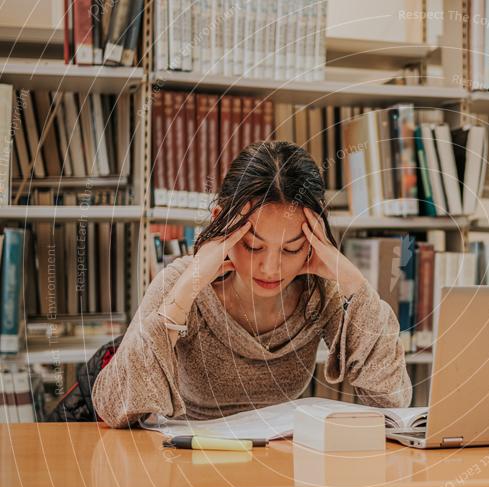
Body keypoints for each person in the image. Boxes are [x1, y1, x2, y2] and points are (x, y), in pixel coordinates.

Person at [92, 141, 412, 428]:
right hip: (193, 461)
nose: (271, 268)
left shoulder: (320, 292)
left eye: (291, 249)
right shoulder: (182, 283)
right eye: (253, 246)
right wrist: (185, 293)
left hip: (280, 465)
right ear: (221, 222)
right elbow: (114, 406)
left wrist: (356, 284)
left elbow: (392, 400)